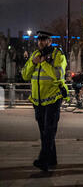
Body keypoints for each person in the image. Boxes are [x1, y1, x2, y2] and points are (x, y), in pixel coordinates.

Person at [21, 31, 69, 172]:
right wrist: (33, 62)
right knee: (44, 132)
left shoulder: (58, 55)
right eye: (39, 40)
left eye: (43, 39)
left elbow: (58, 76)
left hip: (53, 98)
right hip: (38, 100)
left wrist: (45, 63)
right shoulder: (35, 55)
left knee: (49, 131)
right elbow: (25, 75)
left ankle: (43, 160)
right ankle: (52, 159)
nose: (40, 42)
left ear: (50, 40)